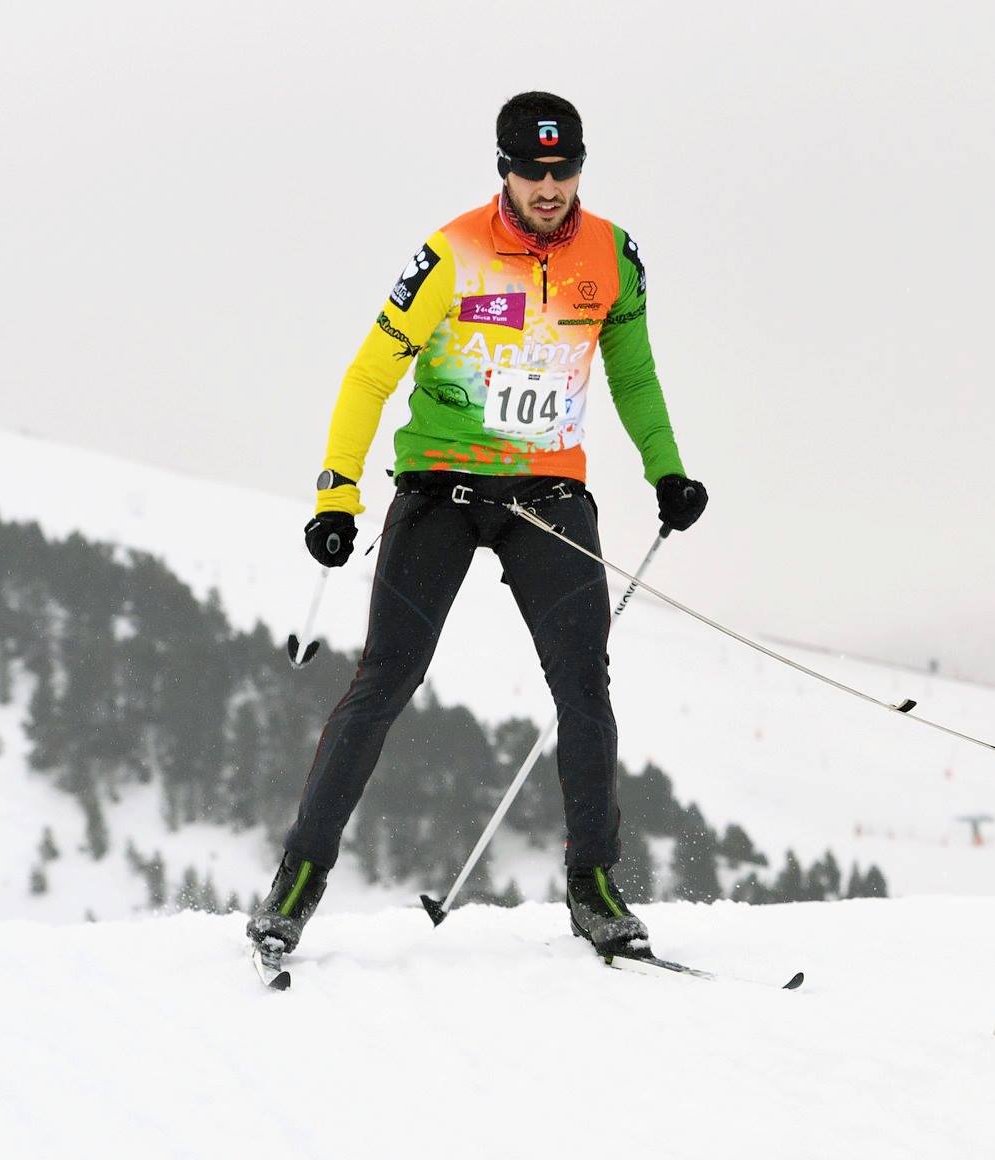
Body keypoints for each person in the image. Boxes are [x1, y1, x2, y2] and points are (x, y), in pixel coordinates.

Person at [246, 91, 706, 964]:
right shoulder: (449, 253)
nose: (549, 186)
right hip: (442, 491)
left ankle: (595, 887)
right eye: (533, 170)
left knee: (584, 683)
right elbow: (369, 375)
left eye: (564, 168)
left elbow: (634, 377)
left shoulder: (612, 256)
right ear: (504, 167)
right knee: (385, 680)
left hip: (548, 495)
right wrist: (335, 496)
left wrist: (667, 470)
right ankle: (298, 881)